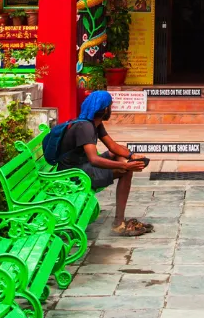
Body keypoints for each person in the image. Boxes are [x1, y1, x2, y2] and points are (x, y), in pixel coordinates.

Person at [56, 90, 153, 237]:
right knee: (126, 172)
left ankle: (127, 167)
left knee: (119, 153)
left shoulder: (95, 123)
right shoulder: (85, 127)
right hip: (74, 175)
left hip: (81, 166)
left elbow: (112, 147)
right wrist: (124, 166)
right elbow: (94, 159)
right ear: (105, 108)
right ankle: (118, 224)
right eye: (111, 106)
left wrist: (131, 156)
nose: (111, 110)